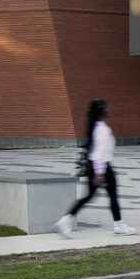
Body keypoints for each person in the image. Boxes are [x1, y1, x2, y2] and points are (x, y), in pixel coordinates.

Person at [55, 99, 135, 237]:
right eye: (105, 108)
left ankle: (65, 220)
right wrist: (100, 173)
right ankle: (119, 225)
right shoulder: (102, 129)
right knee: (113, 196)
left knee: (88, 197)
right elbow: (100, 153)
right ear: (101, 111)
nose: (107, 110)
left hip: (93, 166)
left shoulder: (94, 127)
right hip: (102, 167)